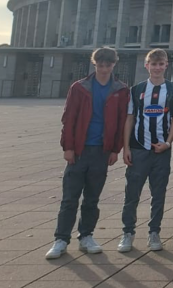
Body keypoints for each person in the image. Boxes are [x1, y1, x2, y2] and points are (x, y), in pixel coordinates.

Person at [46, 47, 130, 260]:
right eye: (100, 65)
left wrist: (114, 149)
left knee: (92, 199)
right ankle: (61, 239)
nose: (104, 69)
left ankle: (86, 236)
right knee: (69, 198)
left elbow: (122, 122)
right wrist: (68, 147)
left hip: (101, 151)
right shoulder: (79, 87)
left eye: (108, 65)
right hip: (79, 150)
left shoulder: (121, 90)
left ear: (114, 65)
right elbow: (69, 118)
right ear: (94, 64)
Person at [118, 48, 173, 254]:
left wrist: (169, 142)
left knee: (158, 193)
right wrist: (126, 147)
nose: (157, 67)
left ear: (166, 65)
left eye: (160, 64)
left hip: (161, 151)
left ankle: (154, 232)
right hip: (138, 149)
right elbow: (129, 118)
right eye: (153, 64)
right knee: (132, 193)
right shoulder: (136, 90)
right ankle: (127, 232)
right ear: (147, 66)